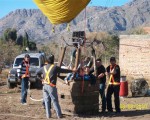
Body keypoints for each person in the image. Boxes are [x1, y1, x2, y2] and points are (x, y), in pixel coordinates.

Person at [36, 54, 76, 119]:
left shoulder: (43, 67)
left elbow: (36, 73)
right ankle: (59, 115)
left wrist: (41, 79)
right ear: (53, 60)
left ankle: (48, 115)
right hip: (51, 86)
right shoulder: (55, 67)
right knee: (55, 101)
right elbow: (64, 71)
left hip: (45, 86)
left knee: (46, 101)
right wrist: (72, 70)